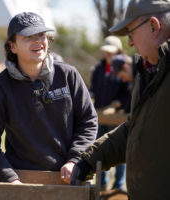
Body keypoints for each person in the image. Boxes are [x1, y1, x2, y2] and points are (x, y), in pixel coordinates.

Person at [0, 12, 98, 185]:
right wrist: (10, 179)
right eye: (28, 37)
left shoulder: (68, 75)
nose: (37, 41)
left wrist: (75, 159)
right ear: (12, 46)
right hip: (21, 180)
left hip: (68, 178)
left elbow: (87, 121)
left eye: (41, 35)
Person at [70, 0, 170, 199]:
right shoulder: (149, 70)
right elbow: (136, 130)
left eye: (131, 33)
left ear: (153, 26)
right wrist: (90, 160)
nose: (130, 43)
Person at [90, 36, 127, 191]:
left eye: (111, 52)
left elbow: (128, 92)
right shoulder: (98, 69)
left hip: (118, 118)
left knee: (119, 151)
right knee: (100, 150)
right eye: (106, 52)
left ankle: (118, 185)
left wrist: (115, 105)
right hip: (100, 117)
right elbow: (92, 89)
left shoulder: (125, 67)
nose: (108, 55)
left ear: (119, 51)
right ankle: (102, 184)